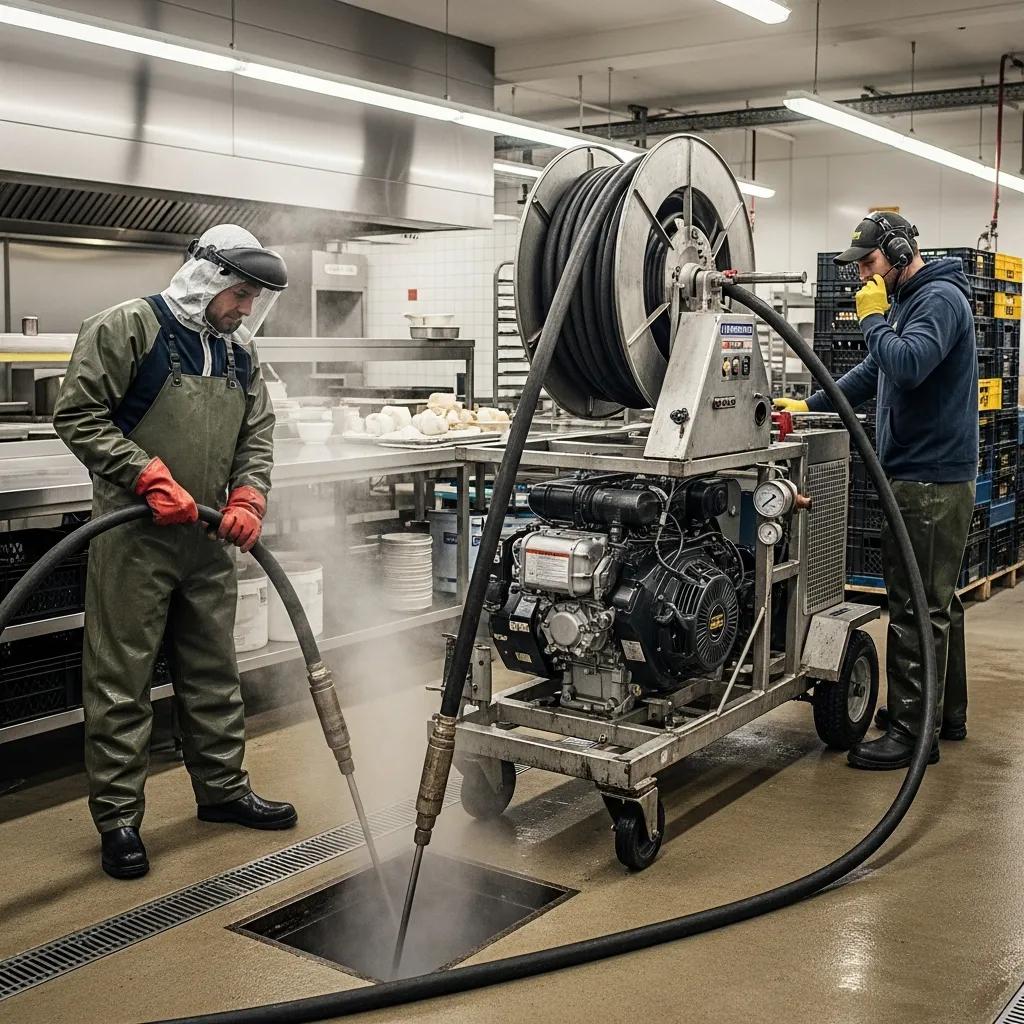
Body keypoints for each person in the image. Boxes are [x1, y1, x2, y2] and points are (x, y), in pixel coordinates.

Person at [53, 224, 296, 879]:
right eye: (240, 294)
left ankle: (223, 791)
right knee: (121, 680)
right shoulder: (127, 328)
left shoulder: (239, 352)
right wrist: (145, 475)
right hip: (133, 537)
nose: (246, 308)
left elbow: (257, 434)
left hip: (209, 540)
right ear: (208, 280)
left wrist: (249, 494)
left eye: (254, 299)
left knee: (214, 670)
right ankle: (119, 820)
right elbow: (78, 415)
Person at [775, 212, 978, 770]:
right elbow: (875, 371)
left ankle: (914, 734)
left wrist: (871, 317)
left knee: (915, 605)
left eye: (869, 263)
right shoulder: (913, 299)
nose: (863, 275)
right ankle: (944, 712)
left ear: (900, 252)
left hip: (928, 478)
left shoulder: (938, 300)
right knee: (939, 600)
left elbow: (907, 365)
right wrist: (810, 405)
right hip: (923, 471)